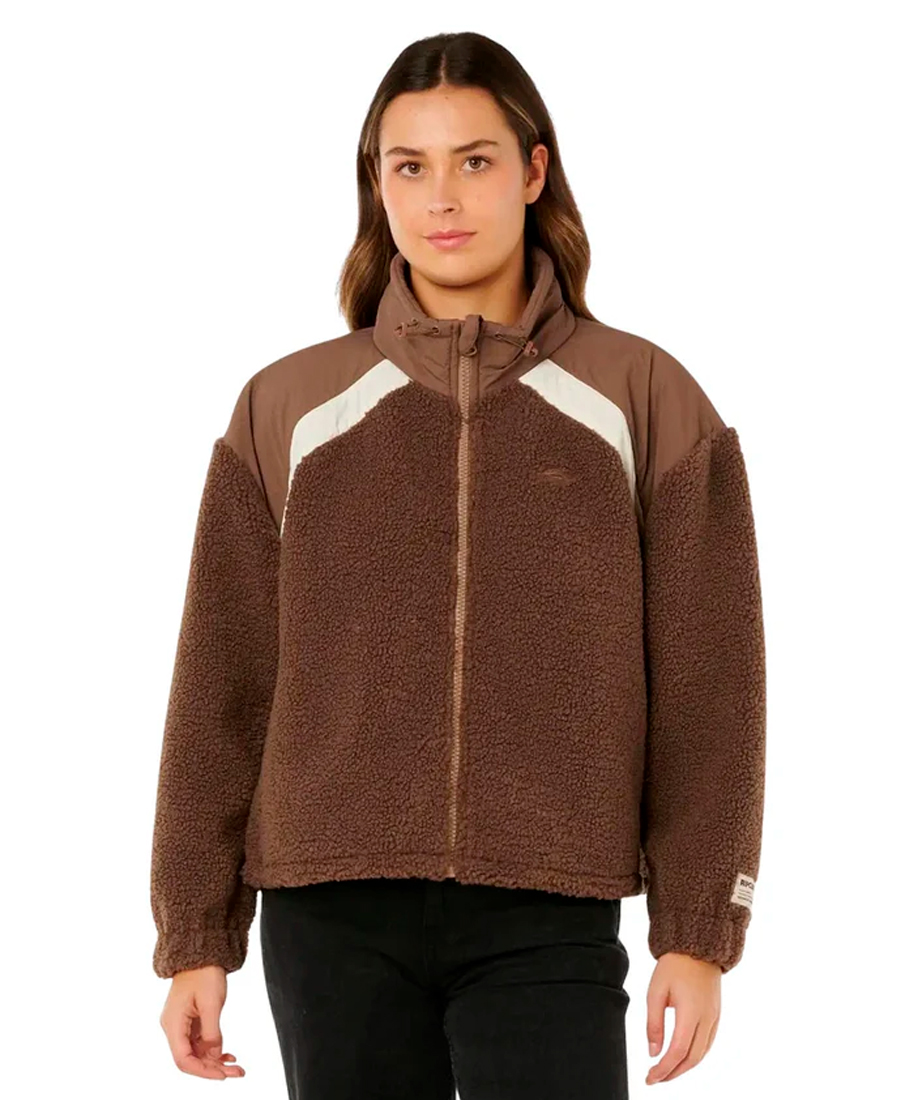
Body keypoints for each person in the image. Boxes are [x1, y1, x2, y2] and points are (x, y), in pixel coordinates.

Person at [150, 30, 766, 1100]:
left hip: (550, 903)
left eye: (475, 160)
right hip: (328, 907)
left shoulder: (646, 397)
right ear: (377, 184)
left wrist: (698, 927)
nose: (442, 196)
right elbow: (221, 681)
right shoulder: (287, 406)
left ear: (533, 171)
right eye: (410, 166)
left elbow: (712, 684)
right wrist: (196, 932)